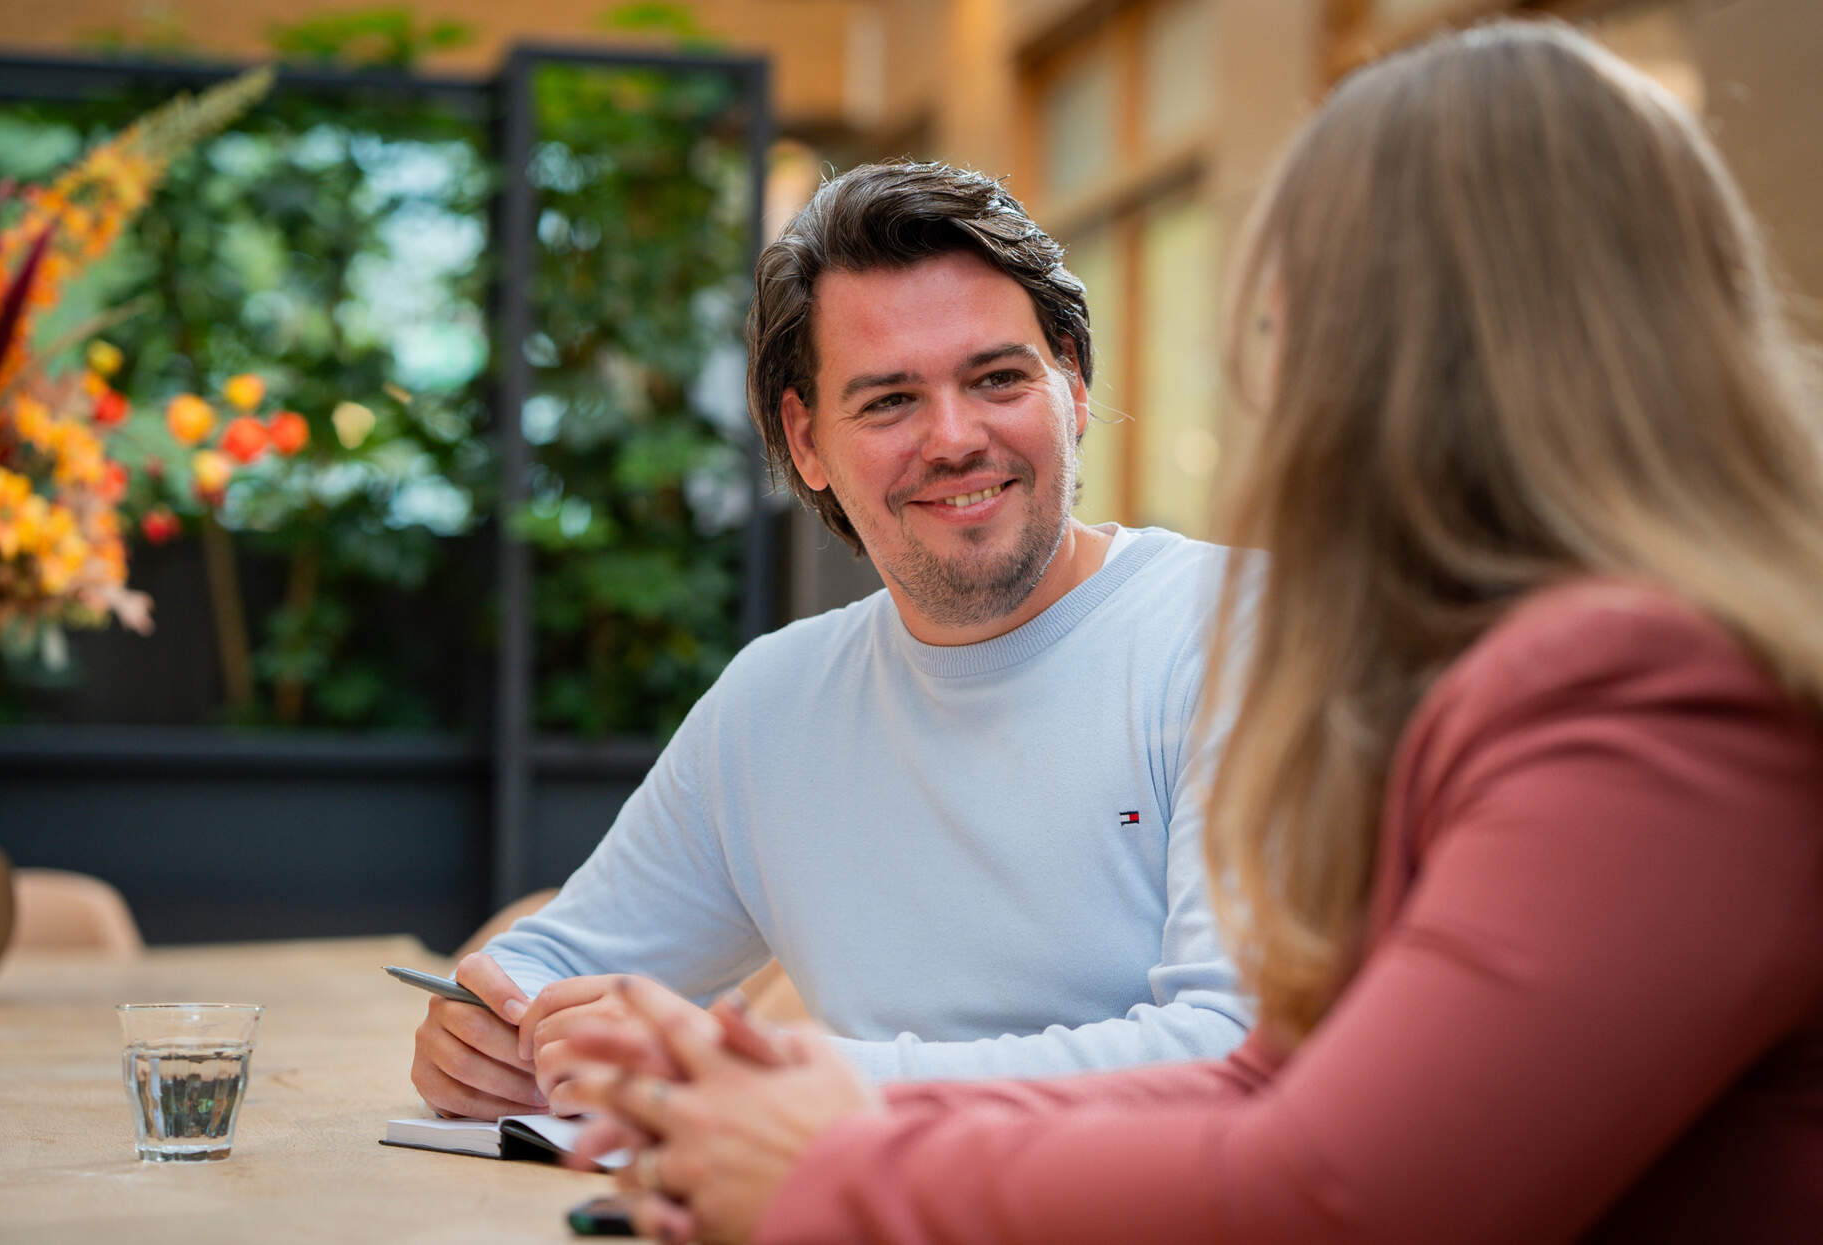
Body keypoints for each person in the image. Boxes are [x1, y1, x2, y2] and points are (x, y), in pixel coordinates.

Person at [559, 20, 1823, 1243]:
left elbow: (1341, 1196)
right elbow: (1273, 1088)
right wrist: (832, 1113)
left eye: (1297, 324)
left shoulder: (1653, 693)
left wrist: (838, 1167)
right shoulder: (1564, 663)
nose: (1274, 386)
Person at [410, 159, 1254, 1121]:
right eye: (890, 400)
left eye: (998, 378)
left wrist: (796, 1082)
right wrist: (485, 1032)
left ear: (1072, 378)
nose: (954, 436)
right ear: (804, 440)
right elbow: (559, 960)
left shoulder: (1238, 634)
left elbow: (1234, 1049)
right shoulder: (777, 702)